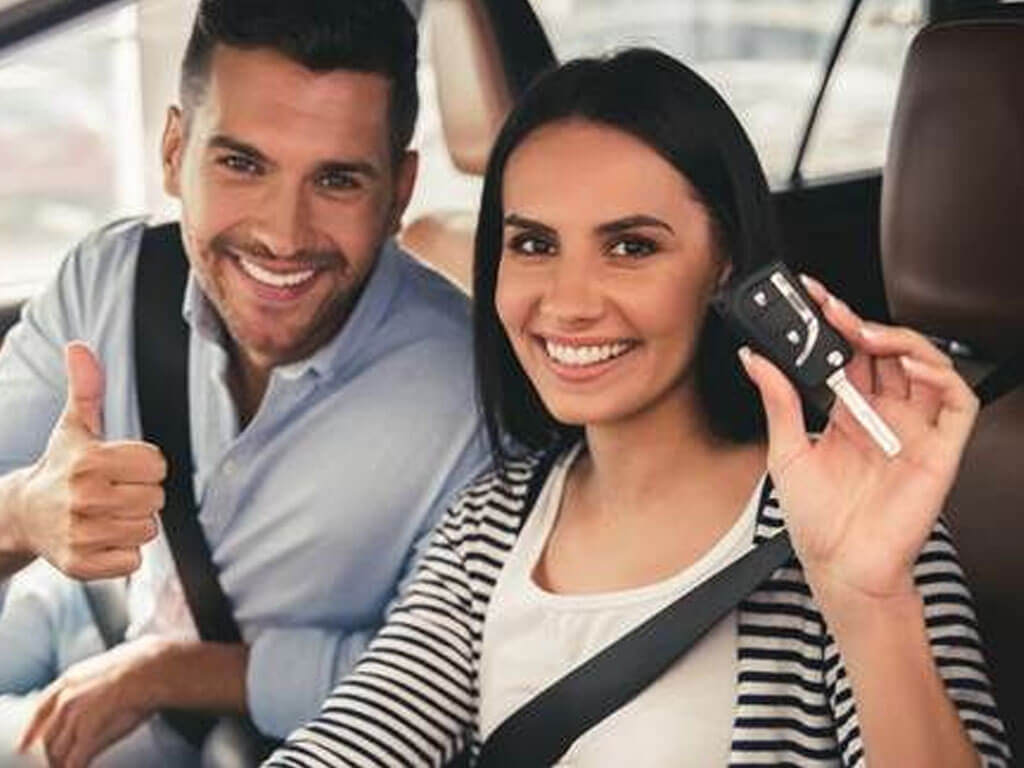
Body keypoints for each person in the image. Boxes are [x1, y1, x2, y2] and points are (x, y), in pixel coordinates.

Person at [263, 49, 1012, 767]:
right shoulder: (486, 529)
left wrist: (869, 600)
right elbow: (348, 745)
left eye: (630, 248)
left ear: (723, 264)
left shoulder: (852, 515)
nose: (569, 303)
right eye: (533, 245)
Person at [0, 1, 489, 765]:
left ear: (398, 194)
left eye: (336, 180)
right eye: (243, 163)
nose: (283, 235)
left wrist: (178, 673)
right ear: (173, 152)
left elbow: (445, 683)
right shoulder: (109, 283)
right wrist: (22, 514)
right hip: (63, 614)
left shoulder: (466, 400)